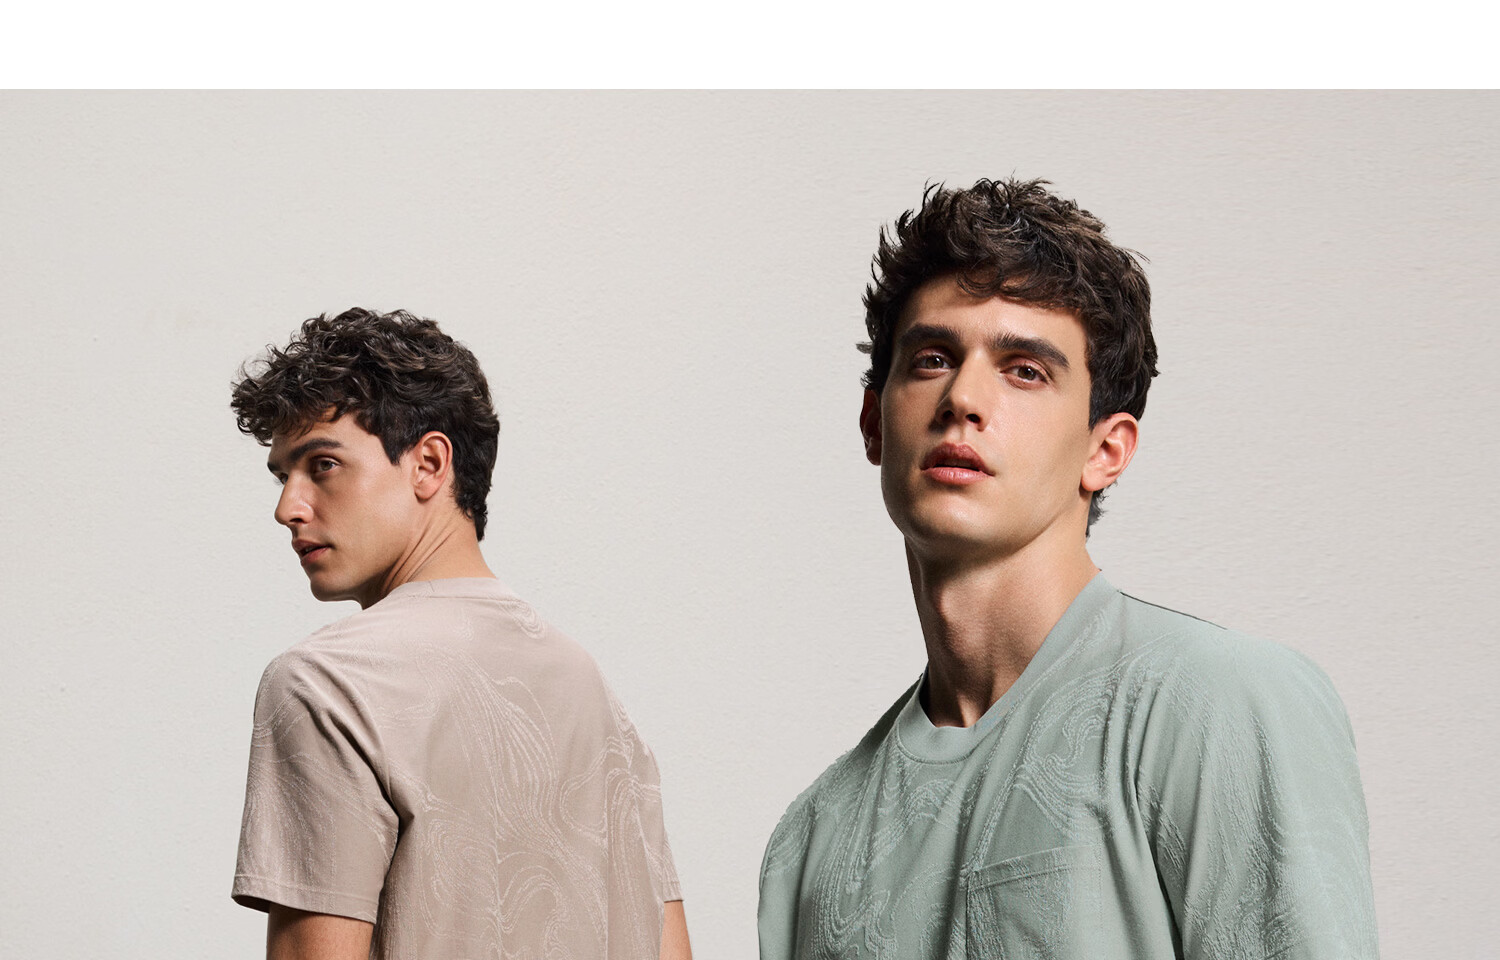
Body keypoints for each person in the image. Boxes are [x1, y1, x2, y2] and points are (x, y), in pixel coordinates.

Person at [757, 179, 1378, 959]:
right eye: (932, 359)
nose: (963, 398)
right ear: (874, 423)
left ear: (1104, 450)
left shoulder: (1217, 705)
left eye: (1024, 370)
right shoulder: (813, 839)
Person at [228, 309, 690, 960]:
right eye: (283, 477)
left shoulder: (326, 684)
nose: (287, 508)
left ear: (428, 464)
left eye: (322, 465)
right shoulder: (591, 691)